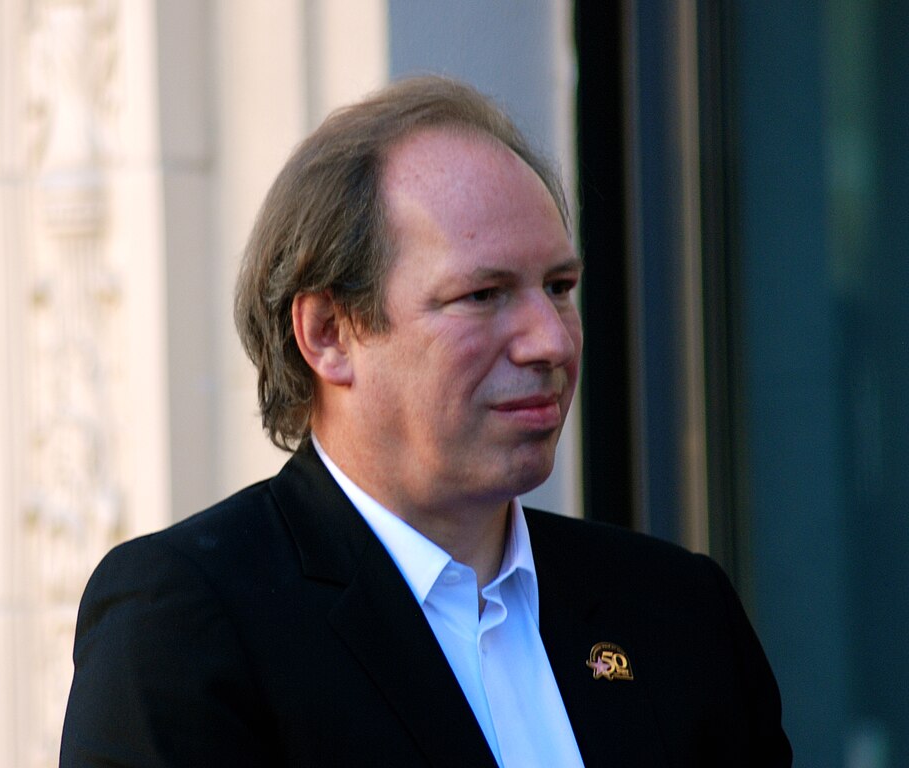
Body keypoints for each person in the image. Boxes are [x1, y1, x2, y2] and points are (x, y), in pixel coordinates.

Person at [60, 76, 792, 767]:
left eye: (559, 286)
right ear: (328, 334)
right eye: (482, 295)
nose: (550, 340)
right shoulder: (190, 622)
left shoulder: (675, 611)